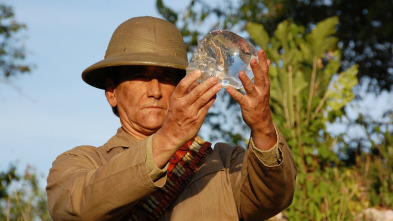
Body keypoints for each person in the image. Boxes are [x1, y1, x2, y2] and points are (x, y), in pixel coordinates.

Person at [46, 16, 297, 221]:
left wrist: (263, 127)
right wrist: (170, 138)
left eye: (166, 77)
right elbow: (75, 209)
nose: (155, 91)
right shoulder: (80, 163)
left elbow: (272, 198)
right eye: (140, 75)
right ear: (112, 92)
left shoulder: (224, 162)